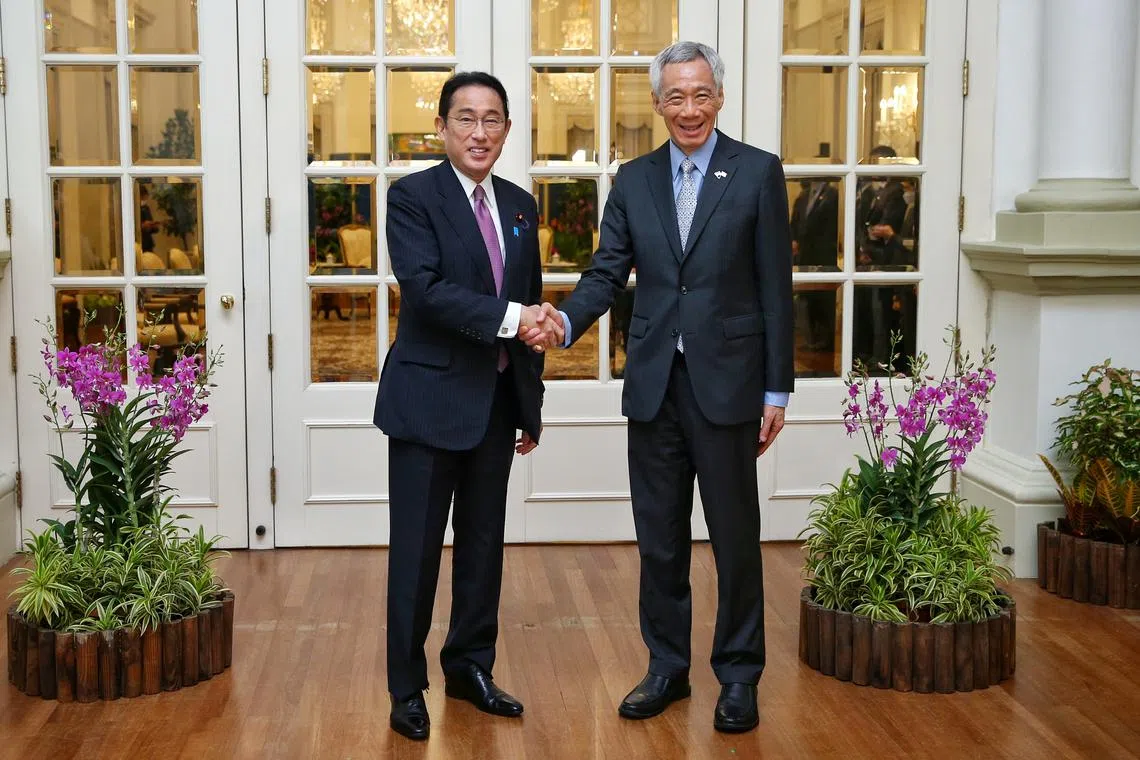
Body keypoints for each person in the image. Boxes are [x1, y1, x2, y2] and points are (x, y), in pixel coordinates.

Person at [522, 41, 794, 733]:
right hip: (653, 385)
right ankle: (667, 667)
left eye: (701, 94)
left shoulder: (757, 172)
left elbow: (775, 287)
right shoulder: (634, 179)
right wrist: (564, 322)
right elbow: (607, 271)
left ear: (720, 97)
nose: (689, 109)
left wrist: (777, 391)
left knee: (735, 538)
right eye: (676, 96)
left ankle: (739, 675)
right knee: (660, 539)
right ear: (657, 103)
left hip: (729, 385)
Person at [373, 71, 563, 742]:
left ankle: (470, 668)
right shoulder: (412, 198)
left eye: (492, 120)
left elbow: (528, 299)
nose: (479, 132)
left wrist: (529, 405)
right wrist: (516, 317)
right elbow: (425, 291)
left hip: (496, 406)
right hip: (427, 405)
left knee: (483, 547)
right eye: (466, 119)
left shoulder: (520, 205)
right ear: (442, 127)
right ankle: (407, 688)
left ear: (507, 129)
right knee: (417, 554)